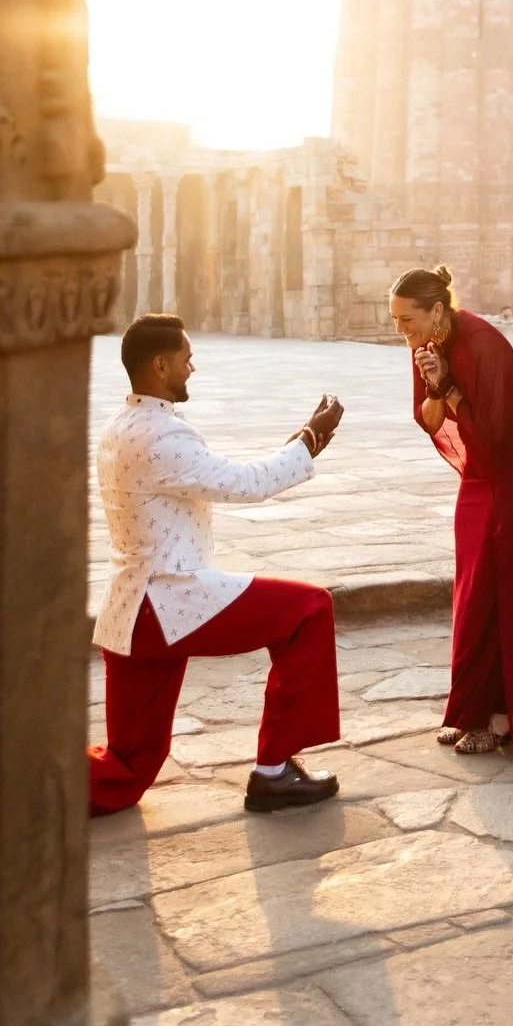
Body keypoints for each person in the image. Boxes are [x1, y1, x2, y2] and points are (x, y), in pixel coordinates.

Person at [88, 314, 346, 816]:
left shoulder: (121, 426)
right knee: (309, 609)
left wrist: (300, 440)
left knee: (127, 767)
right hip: (172, 601)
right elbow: (244, 483)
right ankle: (273, 772)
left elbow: (220, 474)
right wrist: (311, 440)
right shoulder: (160, 435)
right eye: (186, 358)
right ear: (160, 364)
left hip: (130, 615)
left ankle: (19, 782)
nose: (193, 366)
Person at [390, 266, 513, 759]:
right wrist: (435, 385)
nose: (401, 330)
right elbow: (428, 417)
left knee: (501, 585)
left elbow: (494, 433)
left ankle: (504, 717)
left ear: (437, 310)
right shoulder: (425, 346)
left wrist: (448, 388)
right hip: (484, 469)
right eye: (396, 320)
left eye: (407, 320)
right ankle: (469, 709)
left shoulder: (482, 344)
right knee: (472, 582)